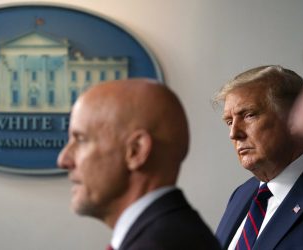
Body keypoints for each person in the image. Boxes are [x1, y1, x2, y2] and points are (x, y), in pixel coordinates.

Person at [57, 78, 220, 250]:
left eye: (81, 139)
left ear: (136, 151)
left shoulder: (161, 244)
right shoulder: (173, 234)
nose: (63, 160)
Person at [214, 65, 303, 250]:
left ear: (293, 118)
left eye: (249, 115)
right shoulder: (242, 194)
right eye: (229, 122)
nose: (234, 133)